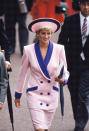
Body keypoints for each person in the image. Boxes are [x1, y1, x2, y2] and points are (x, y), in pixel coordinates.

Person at [14, 18, 69, 131]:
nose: (46, 36)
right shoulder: (28, 50)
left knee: (45, 128)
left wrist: (63, 80)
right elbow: (22, 74)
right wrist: (17, 95)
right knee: (39, 128)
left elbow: (65, 71)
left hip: (51, 94)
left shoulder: (59, 49)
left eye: (48, 33)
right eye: (43, 33)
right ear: (38, 34)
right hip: (34, 94)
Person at [58, 0, 89, 131]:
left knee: (83, 93)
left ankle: (79, 126)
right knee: (74, 94)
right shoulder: (70, 20)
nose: (86, 7)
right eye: (84, 4)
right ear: (79, 4)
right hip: (72, 64)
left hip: (88, 66)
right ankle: (79, 118)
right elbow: (61, 42)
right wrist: (61, 64)